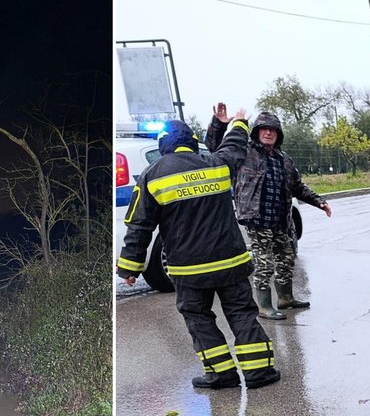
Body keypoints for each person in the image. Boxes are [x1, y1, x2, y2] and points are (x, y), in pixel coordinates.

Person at [116, 113, 280, 390]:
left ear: (164, 145)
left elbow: (139, 226)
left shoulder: (152, 176)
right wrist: (238, 122)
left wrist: (130, 267)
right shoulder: (216, 164)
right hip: (232, 262)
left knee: (199, 319)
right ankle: (259, 373)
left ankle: (221, 374)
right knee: (241, 314)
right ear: (193, 143)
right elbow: (234, 147)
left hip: (189, 270)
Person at [206, 104, 332, 320]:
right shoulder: (245, 152)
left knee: (287, 258)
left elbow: (297, 187)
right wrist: (219, 124)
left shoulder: (285, 159)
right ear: (256, 132)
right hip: (258, 220)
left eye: (272, 130)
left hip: (282, 221)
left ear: (278, 134)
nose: (268, 132)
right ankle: (264, 306)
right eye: (264, 129)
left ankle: (285, 298)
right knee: (264, 263)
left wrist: (319, 202)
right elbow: (214, 148)